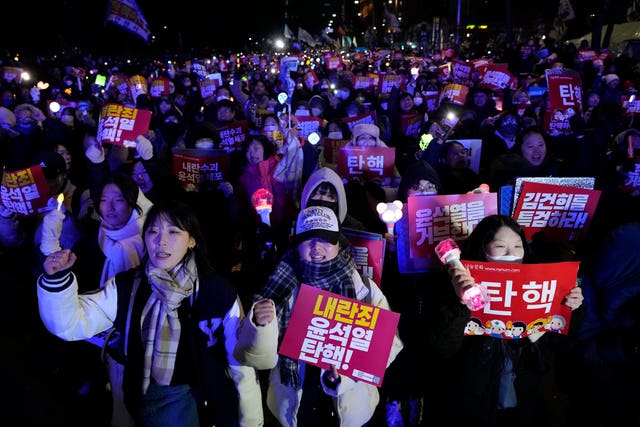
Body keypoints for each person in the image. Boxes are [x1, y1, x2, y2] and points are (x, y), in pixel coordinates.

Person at [36, 200, 263, 427]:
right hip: (145, 400)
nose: (161, 241)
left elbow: (239, 362)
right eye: (153, 231)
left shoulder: (216, 292)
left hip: (207, 402)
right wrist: (57, 279)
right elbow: (71, 324)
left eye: (173, 231)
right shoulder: (128, 286)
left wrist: (251, 421)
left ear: (192, 240)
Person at [235, 206, 403, 427]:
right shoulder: (280, 285)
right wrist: (260, 327)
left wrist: (344, 376)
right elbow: (259, 360)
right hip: (292, 403)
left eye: (326, 239)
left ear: (338, 243)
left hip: (350, 403)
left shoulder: (363, 288)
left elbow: (390, 344)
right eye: (308, 239)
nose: (316, 247)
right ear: (297, 243)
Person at [441, 214, 583, 426]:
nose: (512, 254)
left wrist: (571, 308)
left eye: (518, 246)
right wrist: (460, 304)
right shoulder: (457, 284)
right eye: (500, 246)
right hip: (474, 396)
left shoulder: (539, 285)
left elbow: (561, 344)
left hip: (522, 394)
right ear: (483, 248)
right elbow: (441, 348)